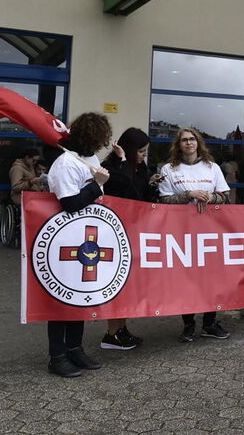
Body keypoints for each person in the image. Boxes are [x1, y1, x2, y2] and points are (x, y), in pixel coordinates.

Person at [45, 112, 112, 377]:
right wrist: (96, 185)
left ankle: (75, 349)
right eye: (100, 138)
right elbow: (70, 204)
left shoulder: (89, 159)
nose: (101, 144)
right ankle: (57, 356)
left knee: (81, 296)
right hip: (66, 238)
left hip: (86, 237)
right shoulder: (64, 163)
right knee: (62, 299)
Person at [158, 127, 232, 342]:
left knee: (211, 278)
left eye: (192, 139)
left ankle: (209, 323)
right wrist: (188, 195)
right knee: (186, 279)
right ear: (178, 145)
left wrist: (209, 197)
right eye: (184, 140)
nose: (189, 143)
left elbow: (225, 196)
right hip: (182, 232)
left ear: (198, 142)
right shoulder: (169, 169)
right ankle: (188, 324)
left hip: (209, 232)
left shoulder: (212, 167)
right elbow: (164, 200)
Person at [101, 127, 160, 350]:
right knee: (119, 284)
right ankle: (111, 333)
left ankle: (120, 329)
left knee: (129, 285)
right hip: (115, 234)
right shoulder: (110, 167)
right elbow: (122, 186)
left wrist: (152, 186)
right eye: (141, 151)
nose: (144, 155)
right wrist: (124, 161)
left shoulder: (140, 167)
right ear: (129, 149)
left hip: (135, 231)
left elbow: (140, 195)